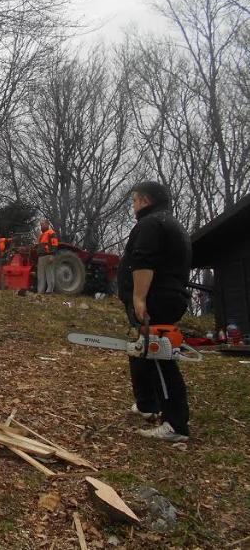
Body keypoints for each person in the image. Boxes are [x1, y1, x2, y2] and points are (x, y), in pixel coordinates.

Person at [118, 181, 191, 442]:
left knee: (159, 357)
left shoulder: (150, 224)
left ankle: (175, 423)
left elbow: (143, 261)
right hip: (166, 296)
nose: (134, 205)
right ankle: (147, 403)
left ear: (145, 200)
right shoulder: (169, 223)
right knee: (141, 351)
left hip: (156, 298)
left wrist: (139, 297)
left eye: (135, 200)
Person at [36, 219, 59, 294]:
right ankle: (40, 291)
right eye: (41, 224)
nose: (41, 226)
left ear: (47, 224)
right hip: (41, 257)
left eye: (42, 224)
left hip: (48, 255)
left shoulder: (51, 233)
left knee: (49, 273)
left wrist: (52, 255)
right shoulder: (41, 235)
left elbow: (54, 244)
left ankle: (49, 291)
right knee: (40, 275)